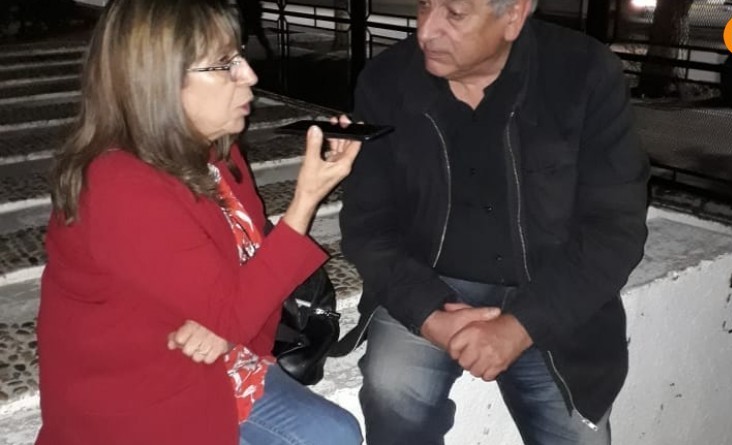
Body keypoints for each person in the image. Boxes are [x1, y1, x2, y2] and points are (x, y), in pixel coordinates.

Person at [36, 1, 362, 444]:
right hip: (142, 399)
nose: (250, 75)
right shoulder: (117, 184)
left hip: (219, 365)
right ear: (159, 80)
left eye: (240, 55)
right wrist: (305, 201)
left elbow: (244, 281)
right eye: (225, 64)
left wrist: (223, 326)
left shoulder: (216, 153)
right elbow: (233, 308)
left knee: (335, 434)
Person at [339, 0, 650, 443]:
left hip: (550, 289)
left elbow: (615, 229)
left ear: (514, 15)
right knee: (392, 386)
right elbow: (367, 226)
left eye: (455, 14)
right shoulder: (387, 81)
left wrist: (520, 326)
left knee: (575, 435)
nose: (426, 32)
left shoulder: (583, 74)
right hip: (426, 280)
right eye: (424, 6)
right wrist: (428, 315)